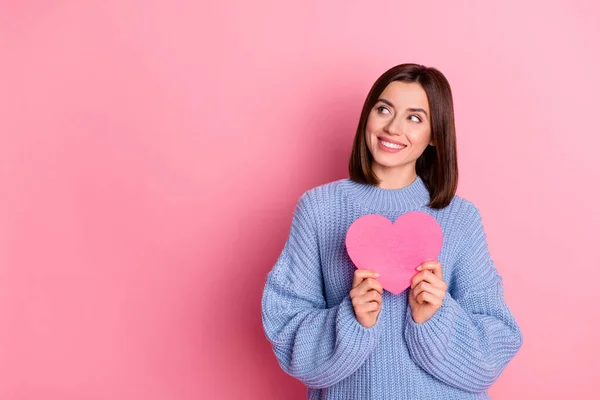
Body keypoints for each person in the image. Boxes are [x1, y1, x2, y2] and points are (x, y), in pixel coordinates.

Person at [261, 63, 522, 399]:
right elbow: (287, 332)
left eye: (415, 118)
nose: (393, 127)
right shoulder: (318, 209)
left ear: (435, 137)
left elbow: (495, 346)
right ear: (367, 117)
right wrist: (352, 319)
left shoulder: (460, 217)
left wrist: (435, 318)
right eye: (384, 109)